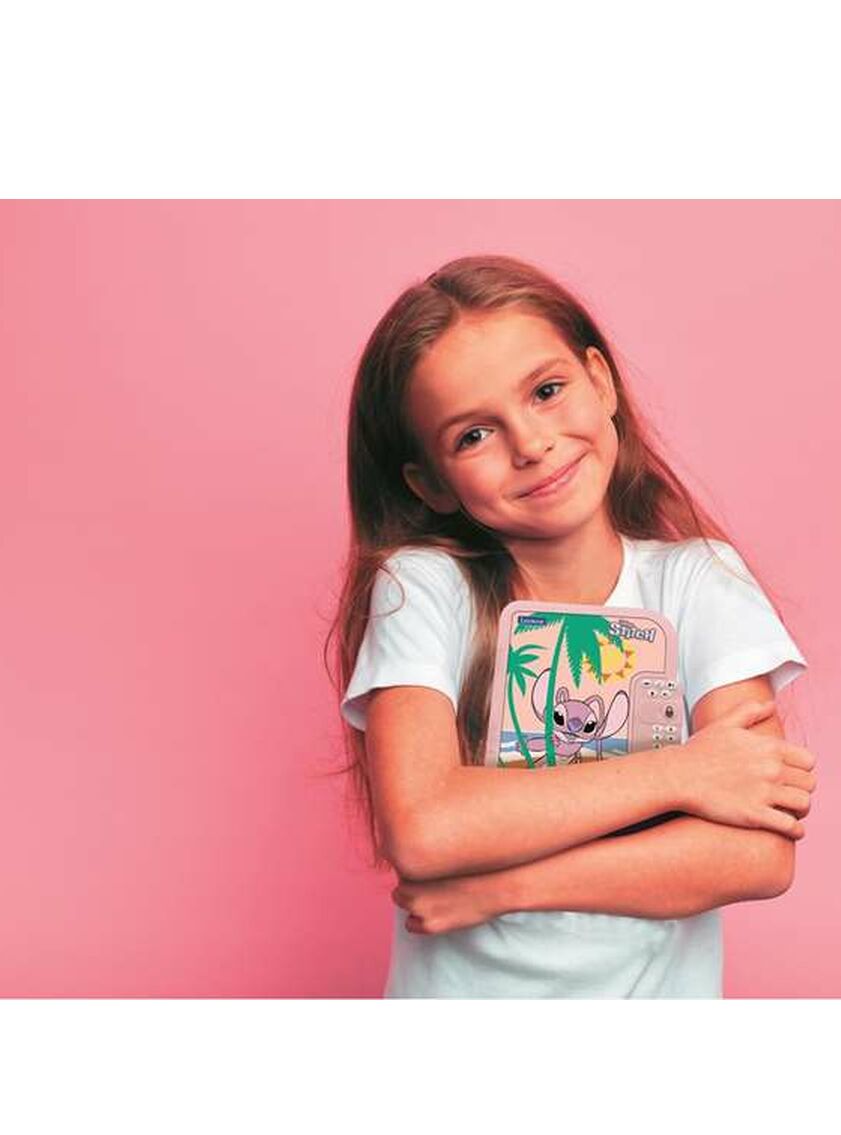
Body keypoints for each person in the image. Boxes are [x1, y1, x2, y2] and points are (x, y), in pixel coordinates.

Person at [331, 254, 816, 998]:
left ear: (601, 381)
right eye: (474, 435)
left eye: (547, 391)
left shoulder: (698, 580)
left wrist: (503, 887)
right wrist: (685, 773)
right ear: (430, 484)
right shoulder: (423, 588)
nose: (531, 444)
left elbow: (757, 857)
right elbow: (425, 829)